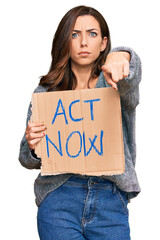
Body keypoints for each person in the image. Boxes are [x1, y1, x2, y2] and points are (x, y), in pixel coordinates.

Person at [19, 5, 141, 240]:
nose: (83, 42)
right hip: (59, 198)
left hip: (109, 201)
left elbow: (132, 71)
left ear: (104, 43)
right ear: (65, 40)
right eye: (75, 34)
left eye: (92, 34)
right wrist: (32, 145)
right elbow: (26, 158)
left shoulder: (117, 84)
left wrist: (122, 54)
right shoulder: (46, 92)